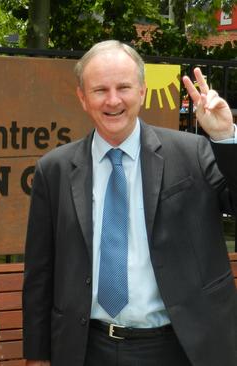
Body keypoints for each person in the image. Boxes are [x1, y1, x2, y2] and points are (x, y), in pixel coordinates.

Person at [23, 40, 237, 366]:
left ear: (142, 91)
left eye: (123, 87)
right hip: (88, 348)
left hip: (182, 346)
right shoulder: (54, 170)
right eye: (100, 90)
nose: (113, 100)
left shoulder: (191, 152)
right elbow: (40, 271)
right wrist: (37, 356)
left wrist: (225, 139)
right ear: (82, 97)